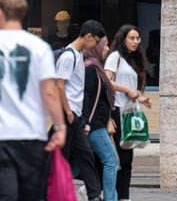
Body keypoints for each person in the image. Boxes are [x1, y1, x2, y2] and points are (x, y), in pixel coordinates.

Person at [0, 0, 65, 201]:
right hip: (32, 134)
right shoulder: (40, 48)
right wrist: (59, 127)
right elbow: (49, 92)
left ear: (0, 12)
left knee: (4, 195)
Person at [54, 20, 105, 201]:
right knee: (60, 158)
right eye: (97, 41)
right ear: (89, 36)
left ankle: (94, 194)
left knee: (86, 156)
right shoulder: (69, 56)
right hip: (68, 115)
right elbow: (60, 86)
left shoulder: (78, 55)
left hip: (75, 116)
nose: (96, 46)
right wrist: (68, 113)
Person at [104, 25, 151, 201]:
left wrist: (141, 99)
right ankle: (105, 193)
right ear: (123, 39)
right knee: (119, 158)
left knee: (127, 158)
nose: (136, 42)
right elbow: (106, 81)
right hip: (116, 112)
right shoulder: (115, 57)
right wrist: (127, 90)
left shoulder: (133, 60)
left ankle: (123, 197)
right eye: (132, 38)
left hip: (130, 113)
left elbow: (132, 91)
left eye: (138, 38)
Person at [83, 38, 119, 201]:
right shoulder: (91, 69)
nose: (107, 49)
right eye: (105, 45)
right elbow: (87, 98)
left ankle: (91, 191)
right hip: (94, 126)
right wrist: (87, 124)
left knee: (81, 163)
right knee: (111, 161)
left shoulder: (97, 68)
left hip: (97, 125)